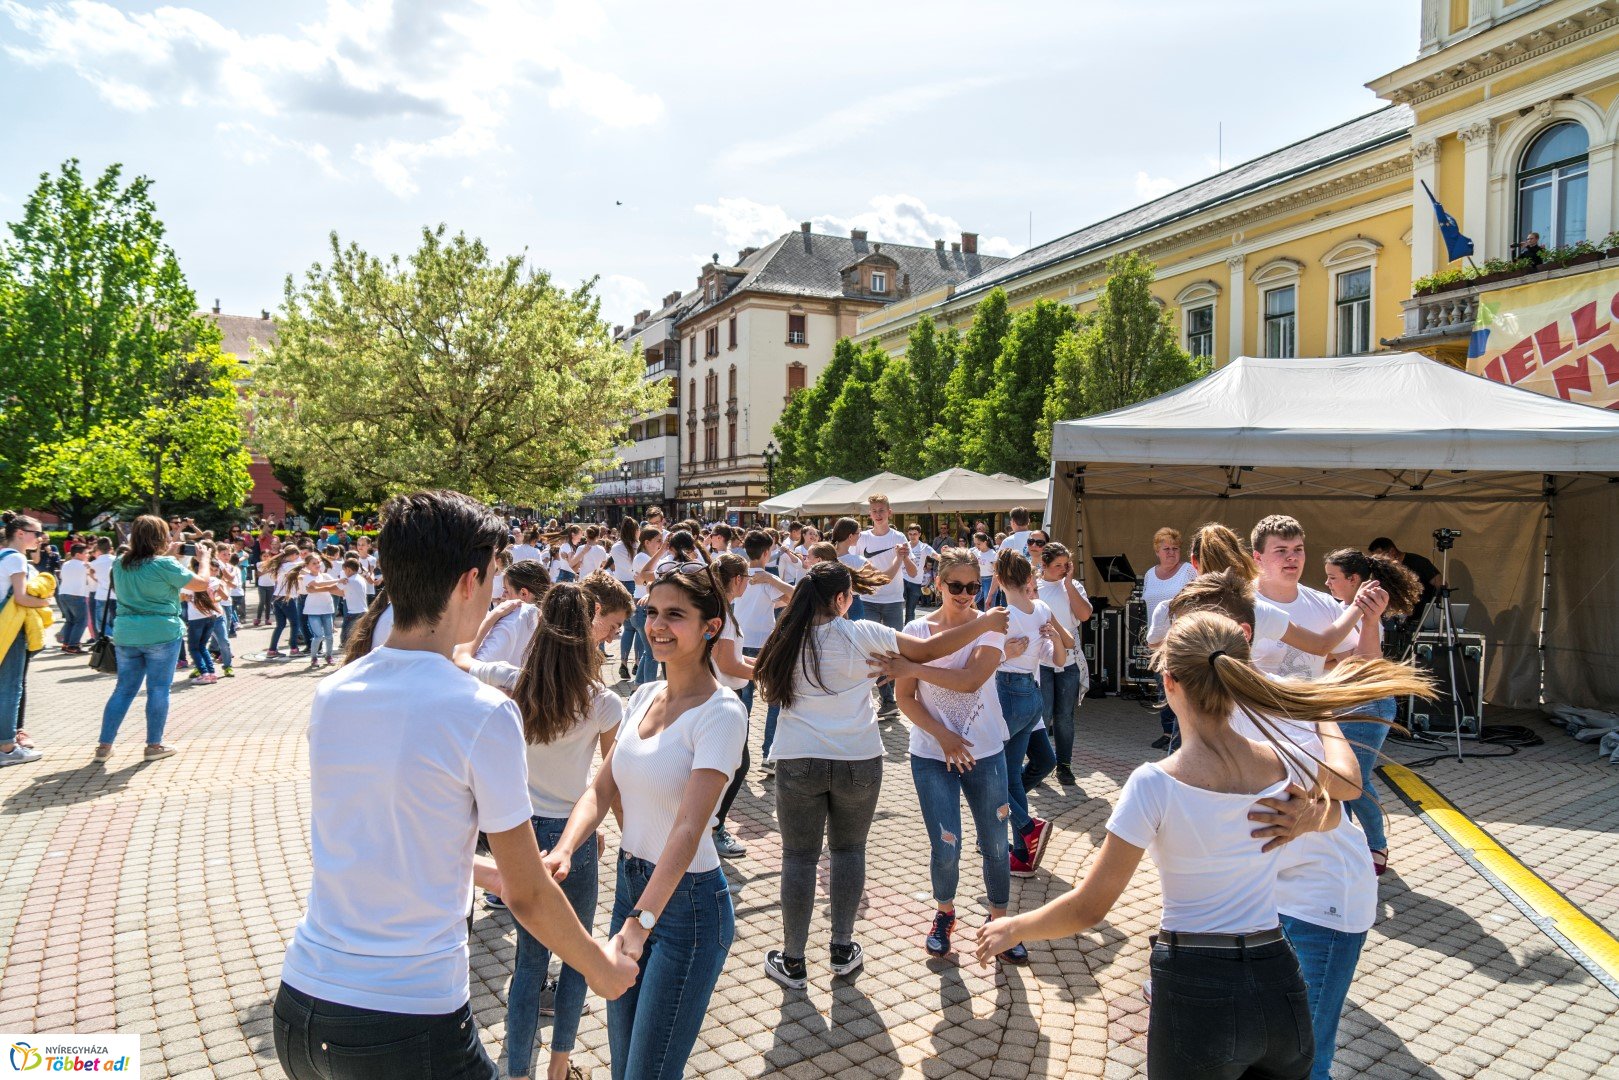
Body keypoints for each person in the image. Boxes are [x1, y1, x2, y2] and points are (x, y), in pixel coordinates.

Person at [975, 610, 1432, 1080]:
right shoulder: (1280, 763)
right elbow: (1340, 799)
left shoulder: (1153, 784)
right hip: (1279, 981)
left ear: (1169, 682)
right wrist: (1314, 815)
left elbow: (1090, 908)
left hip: (1197, 987)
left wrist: (1013, 928)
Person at [273, 491, 637, 1080]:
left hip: (300, 1007)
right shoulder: (481, 712)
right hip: (408, 1021)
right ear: (470, 581)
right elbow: (526, 894)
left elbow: (385, 837)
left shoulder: (335, 690)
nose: (497, 592)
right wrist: (600, 968)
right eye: (495, 575)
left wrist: (480, 870)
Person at [1168, 569, 1394, 1080]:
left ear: (1241, 636)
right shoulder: (1204, 715)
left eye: (1187, 637)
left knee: (1304, 1058)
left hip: (1322, 900)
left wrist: (1317, 807)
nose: (1174, 652)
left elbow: (1349, 787)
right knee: (1259, 1052)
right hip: (1264, 901)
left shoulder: (1286, 696)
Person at [753, 560, 1010, 986]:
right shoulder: (861, 633)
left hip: (798, 760)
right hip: (859, 759)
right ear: (840, 599)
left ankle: (794, 960)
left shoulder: (784, 638)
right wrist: (984, 625)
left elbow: (757, 674)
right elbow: (927, 651)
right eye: (849, 594)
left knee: (798, 858)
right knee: (849, 851)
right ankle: (841, 949)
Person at [547, 561, 747, 1080]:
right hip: (631, 892)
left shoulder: (722, 713)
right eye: (652, 612)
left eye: (675, 615)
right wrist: (565, 848)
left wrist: (641, 925)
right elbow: (600, 788)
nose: (657, 625)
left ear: (712, 625)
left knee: (647, 1073)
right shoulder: (639, 696)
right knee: (624, 1066)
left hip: (687, 909)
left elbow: (688, 828)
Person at [453, 584, 625, 1080]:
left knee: (528, 964)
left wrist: (495, 616)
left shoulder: (511, 681)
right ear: (592, 623)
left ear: (540, 624)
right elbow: (610, 786)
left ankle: (519, 1071)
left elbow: (461, 657)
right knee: (578, 955)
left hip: (519, 833)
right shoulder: (605, 703)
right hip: (575, 836)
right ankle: (560, 1065)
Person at [875, 549, 1026, 961]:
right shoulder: (915, 631)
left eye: (973, 587)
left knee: (996, 843)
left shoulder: (992, 624)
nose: (964, 594)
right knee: (947, 844)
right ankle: (945, 913)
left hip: (986, 752)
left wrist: (914, 668)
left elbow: (970, 679)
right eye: (956, 586)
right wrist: (943, 736)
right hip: (930, 754)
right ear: (937, 585)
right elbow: (905, 699)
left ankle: (1000, 923)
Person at [1323, 548, 1422, 876]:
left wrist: (1333, 656)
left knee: (1356, 779)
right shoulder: (1339, 610)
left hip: (1367, 703)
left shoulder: (1367, 616)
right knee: (1341, 778)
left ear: (1354, 580)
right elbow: (1325, 658)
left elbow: (1361, 663)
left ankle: (1376, 845)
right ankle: (1348, 845)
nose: (1327, 583)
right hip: (1343, 703)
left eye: (1333, 577)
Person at [97, 516, 217, 763]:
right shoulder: (164, 565)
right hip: (161, 631)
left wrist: (170, 556)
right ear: (159, 538)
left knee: (123, 690)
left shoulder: (120, 563)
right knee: (158, 689)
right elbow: (201, 583)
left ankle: (104, 746)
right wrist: (203, 560)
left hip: (127, 633)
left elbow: (148, 573)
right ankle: (154, 745)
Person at [991, 550, 1073, 877]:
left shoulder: (1002, 615)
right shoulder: (1041, 608)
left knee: (994, 775)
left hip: (1008, 692)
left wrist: (1002, 653)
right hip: (1033, 694)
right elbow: (1060, 661)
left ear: (998, 578)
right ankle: (1023, 851)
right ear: (1028, 579)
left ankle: (1026, 828)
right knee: (1010, 774)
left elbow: (985, 660)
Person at [856, 494, 917, 719]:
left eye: (882, 510)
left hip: (893, 601)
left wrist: (905, 557)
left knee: (893, 650)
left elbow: (912, 572)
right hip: (869, 600)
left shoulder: (899, 537)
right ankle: (888, 699)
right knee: (872, 650)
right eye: (874, 511)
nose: (878, 515)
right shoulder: (862, 538)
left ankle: (897, 697)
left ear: (889, 512)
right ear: (869, 514)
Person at [1036, 542, 1091, 787]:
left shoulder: (1073, 586)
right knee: (1043, 714)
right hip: (1042, 661)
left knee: (1064, 717)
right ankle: (1039, 763)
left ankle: (1064, 764)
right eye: (1057, 565)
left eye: (1065, 564)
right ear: (1044, 565)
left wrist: (1068, 584)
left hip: (1068, 661)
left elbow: (1085, 615)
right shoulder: (1034, 587)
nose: (1062, 569)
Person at [0, 512, 49, 766]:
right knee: (10, 688)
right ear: (20, 533)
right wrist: (44, 602)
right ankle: (7, 747)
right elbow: (21, 597)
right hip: (10, 630)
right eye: (37, 533)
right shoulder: (16, 558)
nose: (40, 539)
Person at [627, 528, 668, 686]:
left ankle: (638, 687)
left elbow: (645, 580)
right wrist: (663, 549)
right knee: (653, 653)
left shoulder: (645, 556)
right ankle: (649, 690)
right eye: (658, 540)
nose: (660, 544)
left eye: (661, 540)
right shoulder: (642, 557)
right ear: (647, 542)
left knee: (648, 651)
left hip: (642, 605)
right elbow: (648, 580)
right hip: (643, 606)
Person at [1367, 537, 1442, 619]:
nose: (1379, 560)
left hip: (1421, 616)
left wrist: (1433, 609)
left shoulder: (1418, 562)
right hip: (1395, 617)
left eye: (1380, 556)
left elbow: (1441, 584)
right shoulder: (1383, 569)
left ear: (1392, 551)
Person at [609, 516, 642, 680]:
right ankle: (637, 662)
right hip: (635, 585)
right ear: (635, 531)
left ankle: (623, 662)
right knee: (638, 628)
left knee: (628, 628)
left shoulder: (616, 547)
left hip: (621, 586)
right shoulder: (638, 547)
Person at [300, 551, 342, 669]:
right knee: (318, 636)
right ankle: (314, 657)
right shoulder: (307, 577)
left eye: (318, 562)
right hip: (313, 611)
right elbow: (318, 584)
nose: (317, 565)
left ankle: (328, 656)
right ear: (307, 566)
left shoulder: (326, 576)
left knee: (329, 636)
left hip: (327, 609)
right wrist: (338, 581)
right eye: (314, 563)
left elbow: (334, 589)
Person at [56, 542, 92, 653]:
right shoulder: (83, 565)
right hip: (76, 595)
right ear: (78, 554)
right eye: (85, 553)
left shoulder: (66, 564)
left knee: (70, 621)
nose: (87, 555)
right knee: (82, 621)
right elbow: (92, 575)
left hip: (63, 594)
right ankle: (73, 645)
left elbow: (62, 576)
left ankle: (66, 644)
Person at [900, 524, 937, 624]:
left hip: (915, 581)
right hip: (901, 579)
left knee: (910, 610)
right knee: (898, 606)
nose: (912, 536)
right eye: (910, 534)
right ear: (907, 534)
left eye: (915, 534)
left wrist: (945, 555)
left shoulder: (924, 547)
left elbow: (935, 555)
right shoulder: (903, 546)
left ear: (919, 534)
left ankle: (908, 631)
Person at [970, 533, 996, 609]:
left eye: (978, 544)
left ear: (985, 542)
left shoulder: (992, 554)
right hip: (978, 580)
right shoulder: (975, 552)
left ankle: (989, 620)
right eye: (975, 544)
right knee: (974, 602)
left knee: (988, 605)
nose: (976, 546)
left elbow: (996, 571)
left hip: (989, 580)